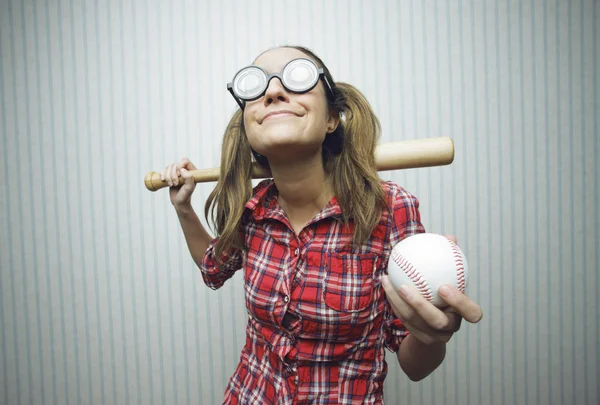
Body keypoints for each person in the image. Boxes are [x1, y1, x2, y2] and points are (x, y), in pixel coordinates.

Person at [160, 45, 483, 405]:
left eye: (298, 78)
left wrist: (428, 337)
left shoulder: (389, 208)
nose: (273, 91)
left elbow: (415, 366)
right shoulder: (253, 210)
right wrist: (183, 207)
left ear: (331, 119)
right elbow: (213, 269)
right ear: (248, 126)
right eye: (256, 85)